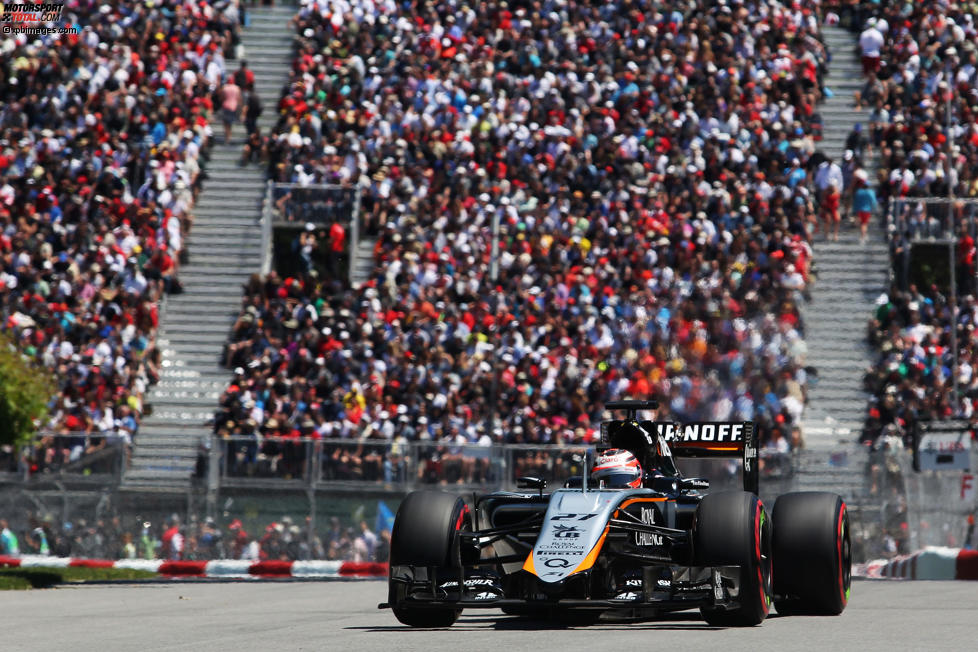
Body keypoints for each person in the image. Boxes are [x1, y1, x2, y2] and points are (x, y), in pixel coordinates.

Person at [853, 173, 878, 245]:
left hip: (859, 210)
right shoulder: (871, 192)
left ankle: (863, 235)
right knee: (864, 224)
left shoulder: (858, 192)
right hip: (867, 210)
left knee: (862, 224)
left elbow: (855, 201)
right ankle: (863, 237)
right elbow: (873, 202)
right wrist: (875, 209)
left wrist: (855, 210)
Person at [219, 77, 243, 145]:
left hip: (226, 106)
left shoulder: (225, 88)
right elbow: (239, 99)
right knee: (230, 123)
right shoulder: (237, 88)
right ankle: (228, 137)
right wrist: (240, 108)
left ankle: (227, 138)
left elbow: (222, 98)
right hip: (234, 106)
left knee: (226, 123)